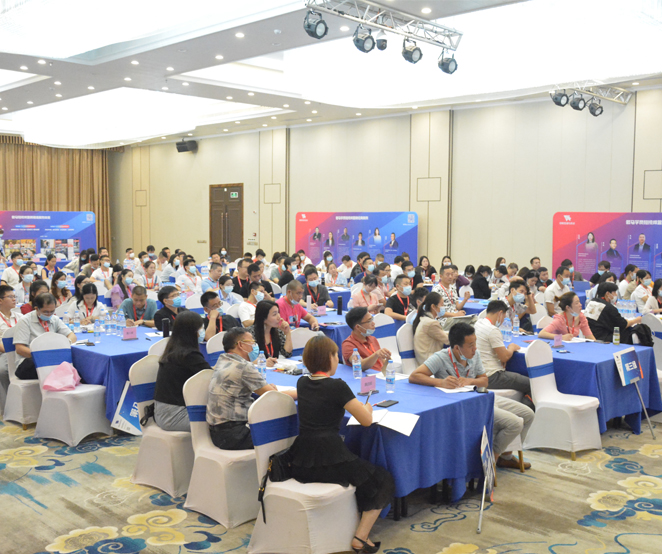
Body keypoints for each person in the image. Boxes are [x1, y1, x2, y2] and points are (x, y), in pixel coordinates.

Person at [288, 335, 394, 554]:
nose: (337, 359)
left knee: (360, 471)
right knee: (382, 480)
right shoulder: (337, 386)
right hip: (328, 457)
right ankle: (360, 537)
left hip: (301, 458)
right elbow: (366, 420)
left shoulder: (302, 382)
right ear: (329, 358)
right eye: (335, 355)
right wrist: (368, 408)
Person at [408, 323, 533, 470]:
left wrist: (470, 381)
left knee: (528, 414)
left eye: (475, 344)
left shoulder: (475, 355)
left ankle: (504, 457)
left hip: (481, 397)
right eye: (470, 345)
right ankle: (490, 460)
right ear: (457, 348)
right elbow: (414, 376)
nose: (475, 349)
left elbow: (484, 381)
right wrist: (440, 382)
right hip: (465, 405)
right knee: (514, 423)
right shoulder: (441, 357)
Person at [207, 328, 296, 449]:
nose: (254, 346)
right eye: (252, 342)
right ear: (240, 345)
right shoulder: (243, 366)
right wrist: (302, 391)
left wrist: (267, 389)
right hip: (234, 434)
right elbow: (274, 397)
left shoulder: (222, 360)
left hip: (218, 432)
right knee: (289, 430)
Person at [153, 311, 211, 432]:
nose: (202, 332)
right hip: (174, 415)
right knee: (226, 421)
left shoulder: (175, 349)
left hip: (164, 411)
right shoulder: (189, 355)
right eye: (200, 328)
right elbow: (211, 377)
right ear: (191, 332)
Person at [474, 300, 533, 409]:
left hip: (479, 373)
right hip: (492, 376)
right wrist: (512, 348)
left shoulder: (478, 324)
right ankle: (525, 412)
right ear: (500, 313)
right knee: (533, 384)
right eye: (504, 317)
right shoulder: (492, 330)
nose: (503, 321)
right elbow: (504, 357)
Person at [13, 293, 77, 380]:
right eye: (45, 312)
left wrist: (66, 343)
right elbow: (20, 349)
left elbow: (72, 336)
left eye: (52, 311)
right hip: (30, 361)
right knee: (58, 369)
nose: (49, 314)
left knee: (76, 363)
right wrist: (43, 356)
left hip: (51, 359)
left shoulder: (54, 319)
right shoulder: (25, 321)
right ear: (36, 309)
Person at [342, 307, 391, 373]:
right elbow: (359, 365)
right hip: (367, 377)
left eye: (372, 319)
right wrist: (376, 354)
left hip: (381, 374)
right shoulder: (348, 344)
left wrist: (388, 360)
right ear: (358, 327)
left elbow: (381, 362)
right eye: (369, 321)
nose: (373, 323)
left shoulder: (372, 339)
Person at [246, 300, 293, 366]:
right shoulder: (249, 334)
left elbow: (287, 354)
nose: (279, 317)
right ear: (263, 318)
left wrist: (288, 333)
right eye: (274, 314)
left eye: (278, 313)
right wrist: (263, 362)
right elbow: (245, 360)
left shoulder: (277, 331)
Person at [412, 292, 448, 365]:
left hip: (426, 358)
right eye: (442, 305)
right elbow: (448, 340)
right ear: (433, 306)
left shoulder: (425, 319)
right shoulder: (431, 323)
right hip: (430, 360)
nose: (443, 307)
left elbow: (442, 333)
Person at [0, 285, 20, 381]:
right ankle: (6, 391)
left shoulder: (21, 317)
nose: (14, 299)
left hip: (20, 351)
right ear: (0, 300)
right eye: (10, 297)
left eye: (14, 296)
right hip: (3, 353)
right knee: (2, 370)